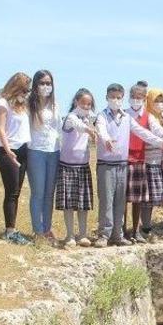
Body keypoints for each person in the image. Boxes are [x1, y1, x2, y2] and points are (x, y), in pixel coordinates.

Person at [92, 83, 163, 247]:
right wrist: (106, 139)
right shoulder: (102, 115)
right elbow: (100, 129)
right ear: (107, 98)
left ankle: (118, 235)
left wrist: (162, 143)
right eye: (112, 97)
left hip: (123, 164)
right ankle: (104, 234)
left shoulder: (126, 118)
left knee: (120, 200)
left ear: (122, 99)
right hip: (107, 163)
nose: (115, 100)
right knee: (107, 200)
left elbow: (144, 133)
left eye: (118, 97)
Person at [0, 72, 32, 245]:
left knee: (17, 192)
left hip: (23, 149)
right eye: (24, 90)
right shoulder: (2, 104)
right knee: (12, 191)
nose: (26, 93)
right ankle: (9, 231)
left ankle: (13, 229)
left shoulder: (21, 106)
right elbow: (0, 130)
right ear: (16, 88)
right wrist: (8, 151)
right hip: (7, 151)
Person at [126, 80, 163, 243]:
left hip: (148, 161)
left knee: (143, 198)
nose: (137, 100)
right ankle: (123, 230)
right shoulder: (127, 114)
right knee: (128, 199)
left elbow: (157, 131)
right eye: (134, 97)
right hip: (131, 160)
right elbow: (143, 133)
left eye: (140, 97)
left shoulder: (153, 117)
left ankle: (140, 228)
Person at [55, 88, 97, 248]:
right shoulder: (70, 118)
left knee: (82, 203)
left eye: (89, 104)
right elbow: (78, 126)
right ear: (76, 102)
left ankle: (83, 234)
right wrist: (89, 130)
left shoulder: (88, 119)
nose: (86, 107)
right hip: (67, 166)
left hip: (82, 166)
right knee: (68, 204)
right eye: (83, 103)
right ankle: (70, 235)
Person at [26, 69, 61, 243]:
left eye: (49, 83)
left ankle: (47, 228)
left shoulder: (55, 105)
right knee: (38, 192)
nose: (46, 86)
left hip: (53, 151)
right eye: (42, 83)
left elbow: (60, 128)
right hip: (35, 151)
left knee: (49, 193)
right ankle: (37, 230)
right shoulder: (28, 105)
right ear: (36, 85)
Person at [139, 86, 163, 240]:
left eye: (161, 100)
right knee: (147, 198)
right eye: (156, 100)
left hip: (159, 162)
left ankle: (147, 226)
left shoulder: (162, 117)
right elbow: (157, 133)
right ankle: (145, 228)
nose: (159, 103)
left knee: (152, 198)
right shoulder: (148, 117)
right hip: (149, 162)